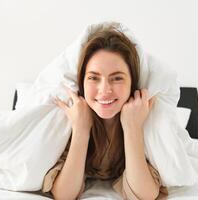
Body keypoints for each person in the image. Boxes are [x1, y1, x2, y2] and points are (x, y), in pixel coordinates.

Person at [42, 26, 168, 200]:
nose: (105, 90)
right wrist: (81, 129)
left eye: (117, 78)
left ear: (132, 83)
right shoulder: (71, 115)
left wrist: (133, 128)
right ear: (82, 82)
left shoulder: (143, 114)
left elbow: (145, 196)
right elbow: (64, 195)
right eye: (93, 77)